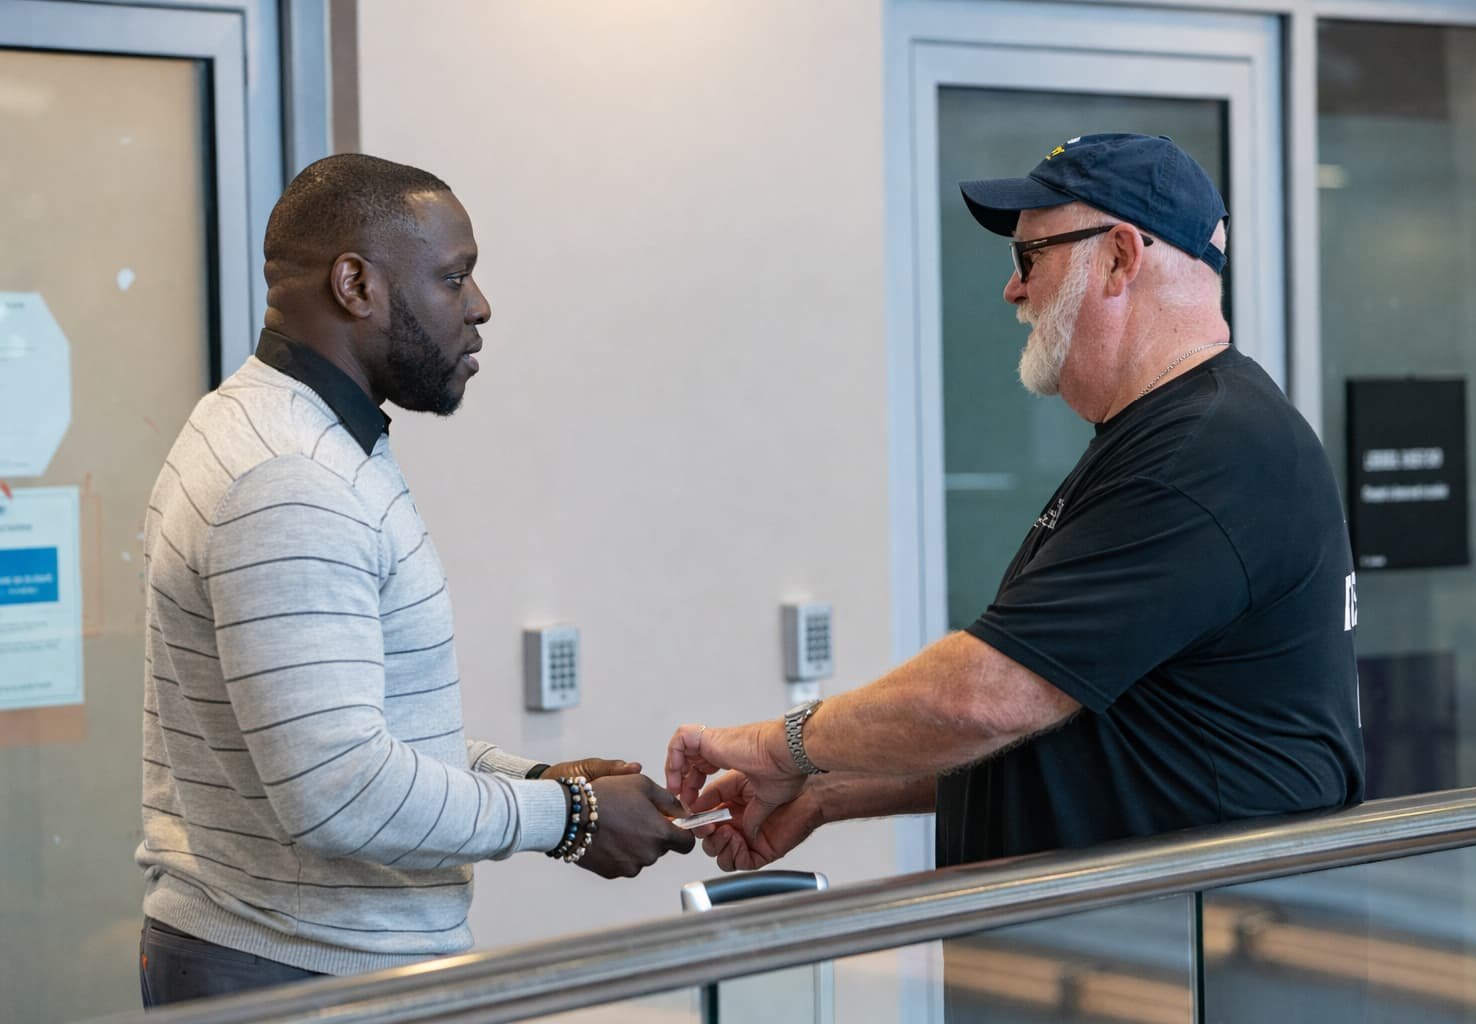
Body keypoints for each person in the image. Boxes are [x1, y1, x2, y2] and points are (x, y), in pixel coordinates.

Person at [665, 133, 1365, 876]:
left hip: (1181, 962)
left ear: (1121, 258)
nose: (1013, 289)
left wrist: (782, 745)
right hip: (1105, 956)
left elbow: (987, 697)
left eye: (1030, 257)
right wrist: (825, 792)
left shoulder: (1210, 453)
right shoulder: (1169, 438)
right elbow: (1080, 724)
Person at [138, 153, 693, 1008]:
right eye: (453, 277)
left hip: (301, 963)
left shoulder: (273, 429)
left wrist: (536, 781)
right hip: (302, 977)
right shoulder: (289, 476)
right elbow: (340, 791)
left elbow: (359, 728)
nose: (480, 306)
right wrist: (569, 817)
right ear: (356, 284)